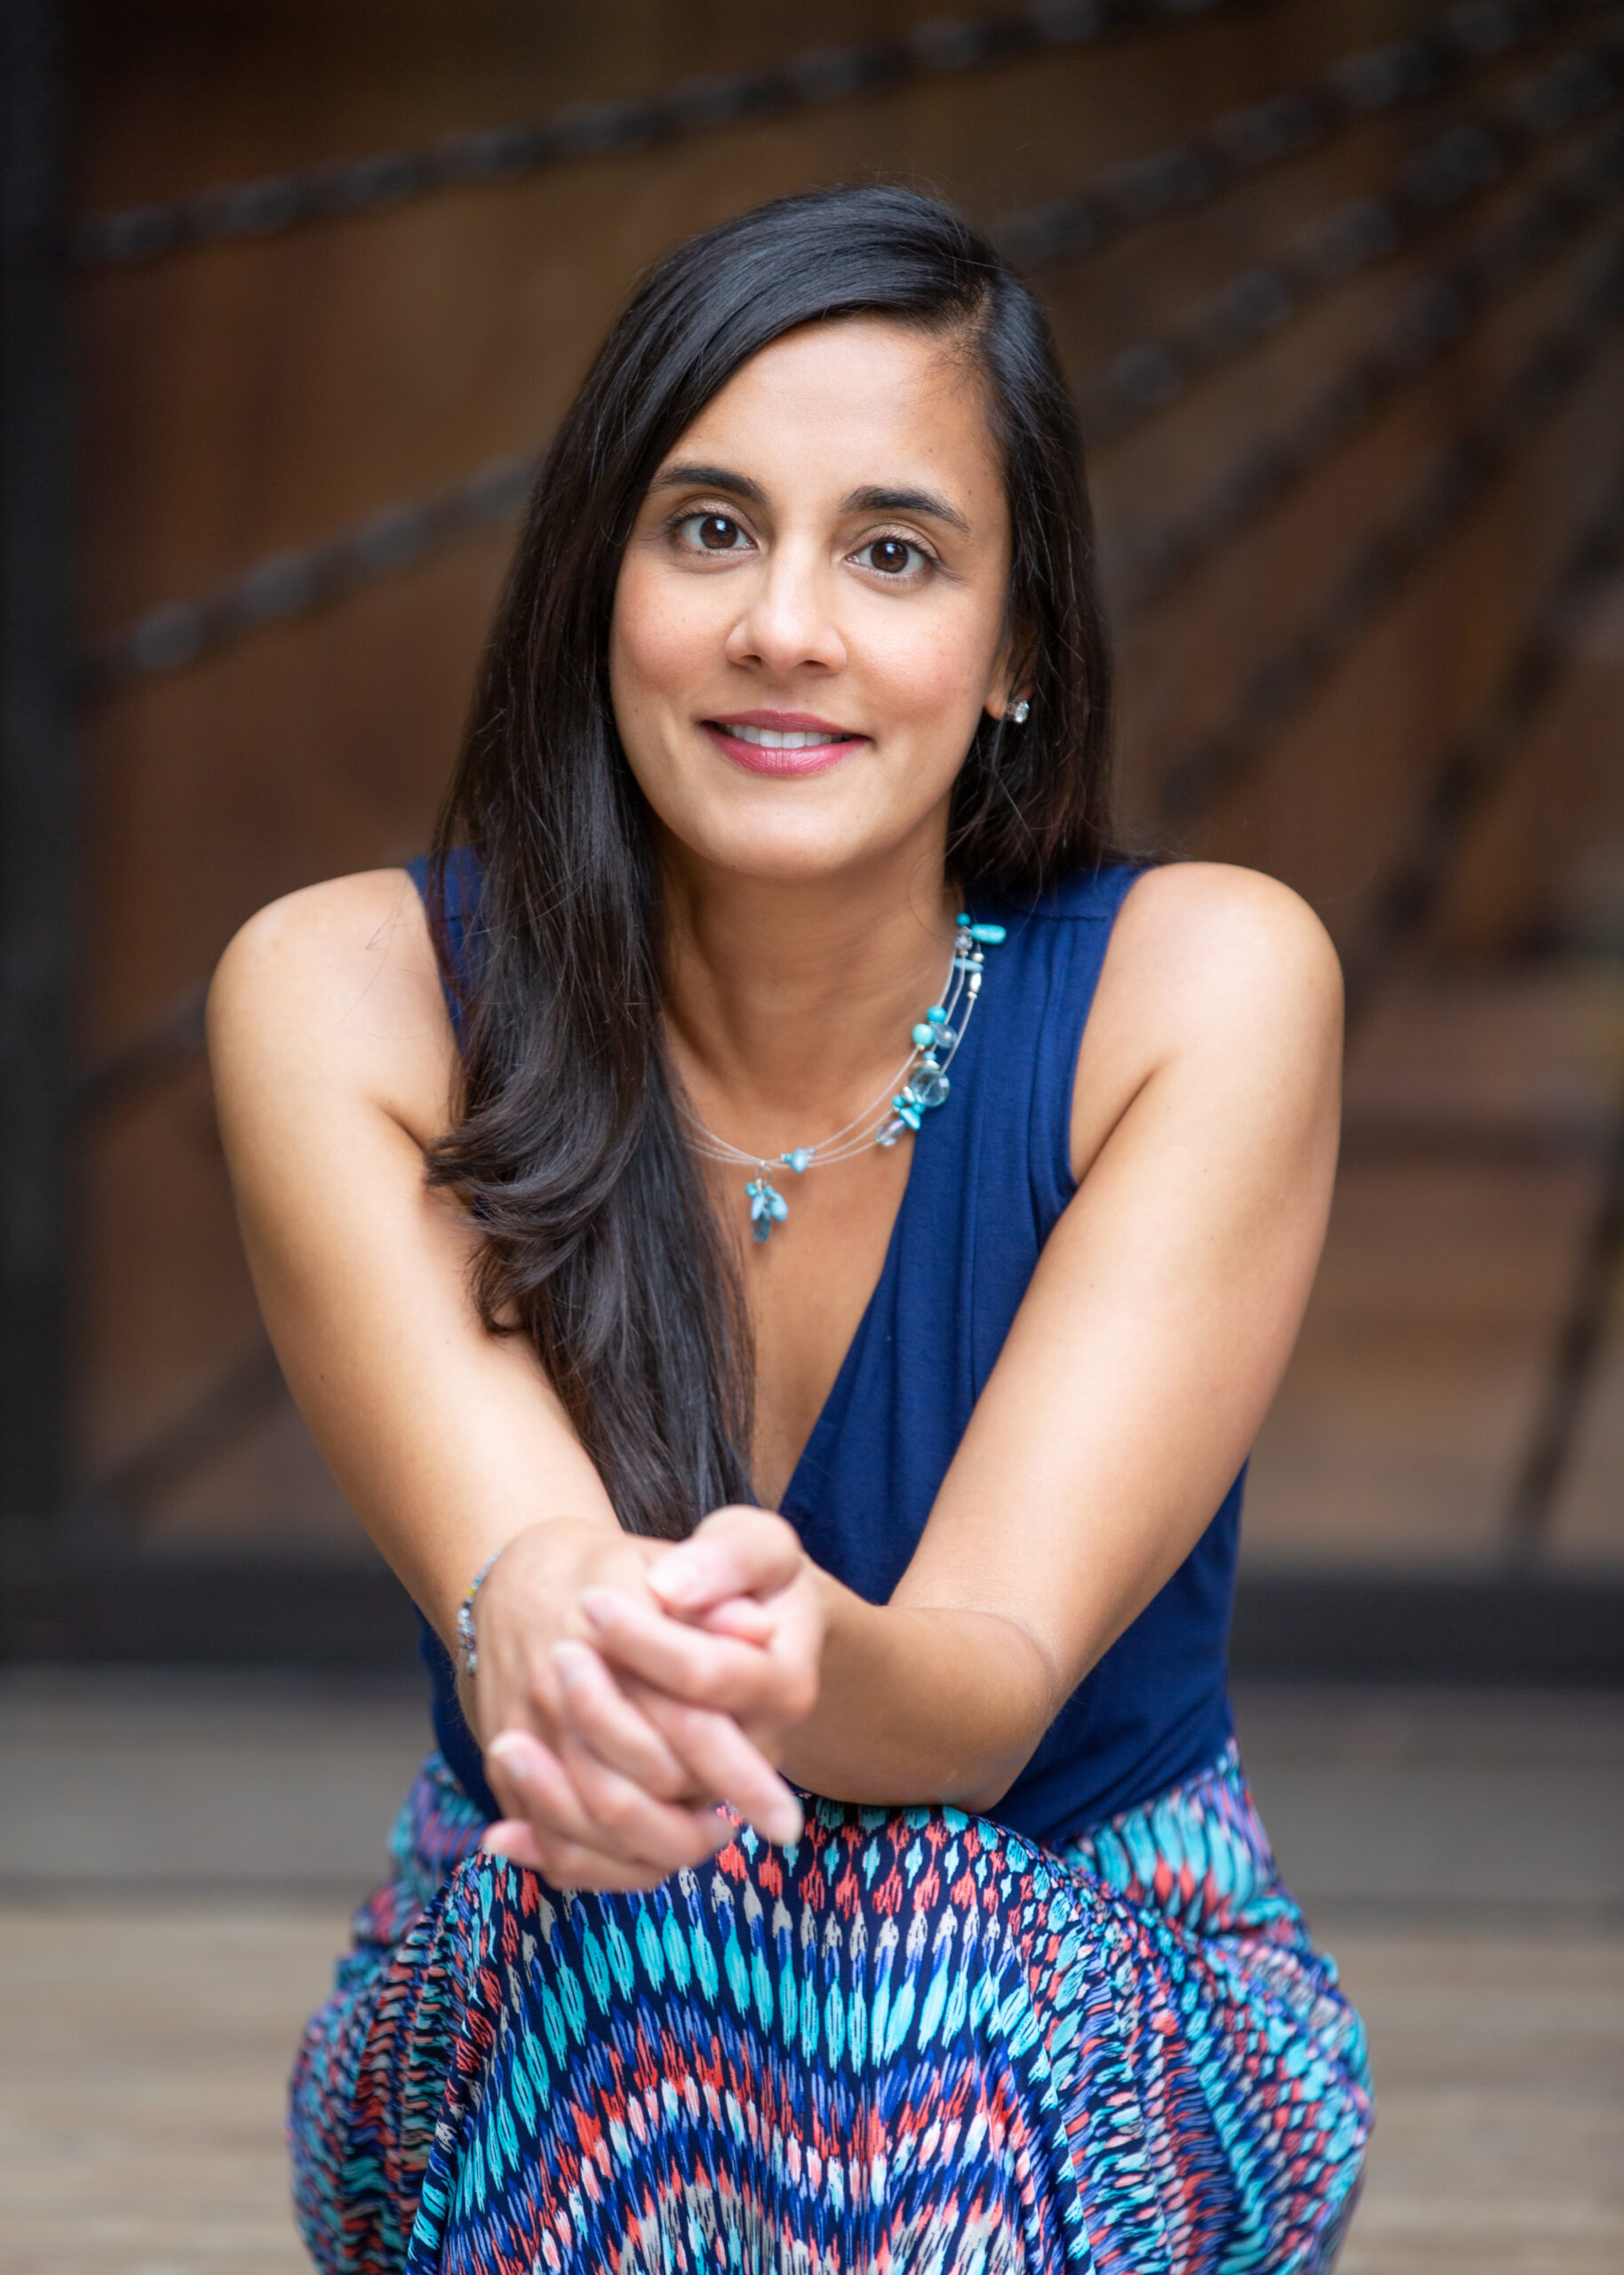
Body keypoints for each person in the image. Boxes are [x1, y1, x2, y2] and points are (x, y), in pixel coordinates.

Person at [209, 185, 1370, 2275]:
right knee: (652, 1932)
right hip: (547, 1973)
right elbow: (525, 1587)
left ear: (1016, 644)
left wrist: (789, 1661)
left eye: (894, 552)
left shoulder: (1195, 989)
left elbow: (989, 1696)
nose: (787, 629)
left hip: (1085, 1967)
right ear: (599, 580)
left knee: (916, 1938)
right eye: (710, 527)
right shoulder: (343, 996)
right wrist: (578, 1638)